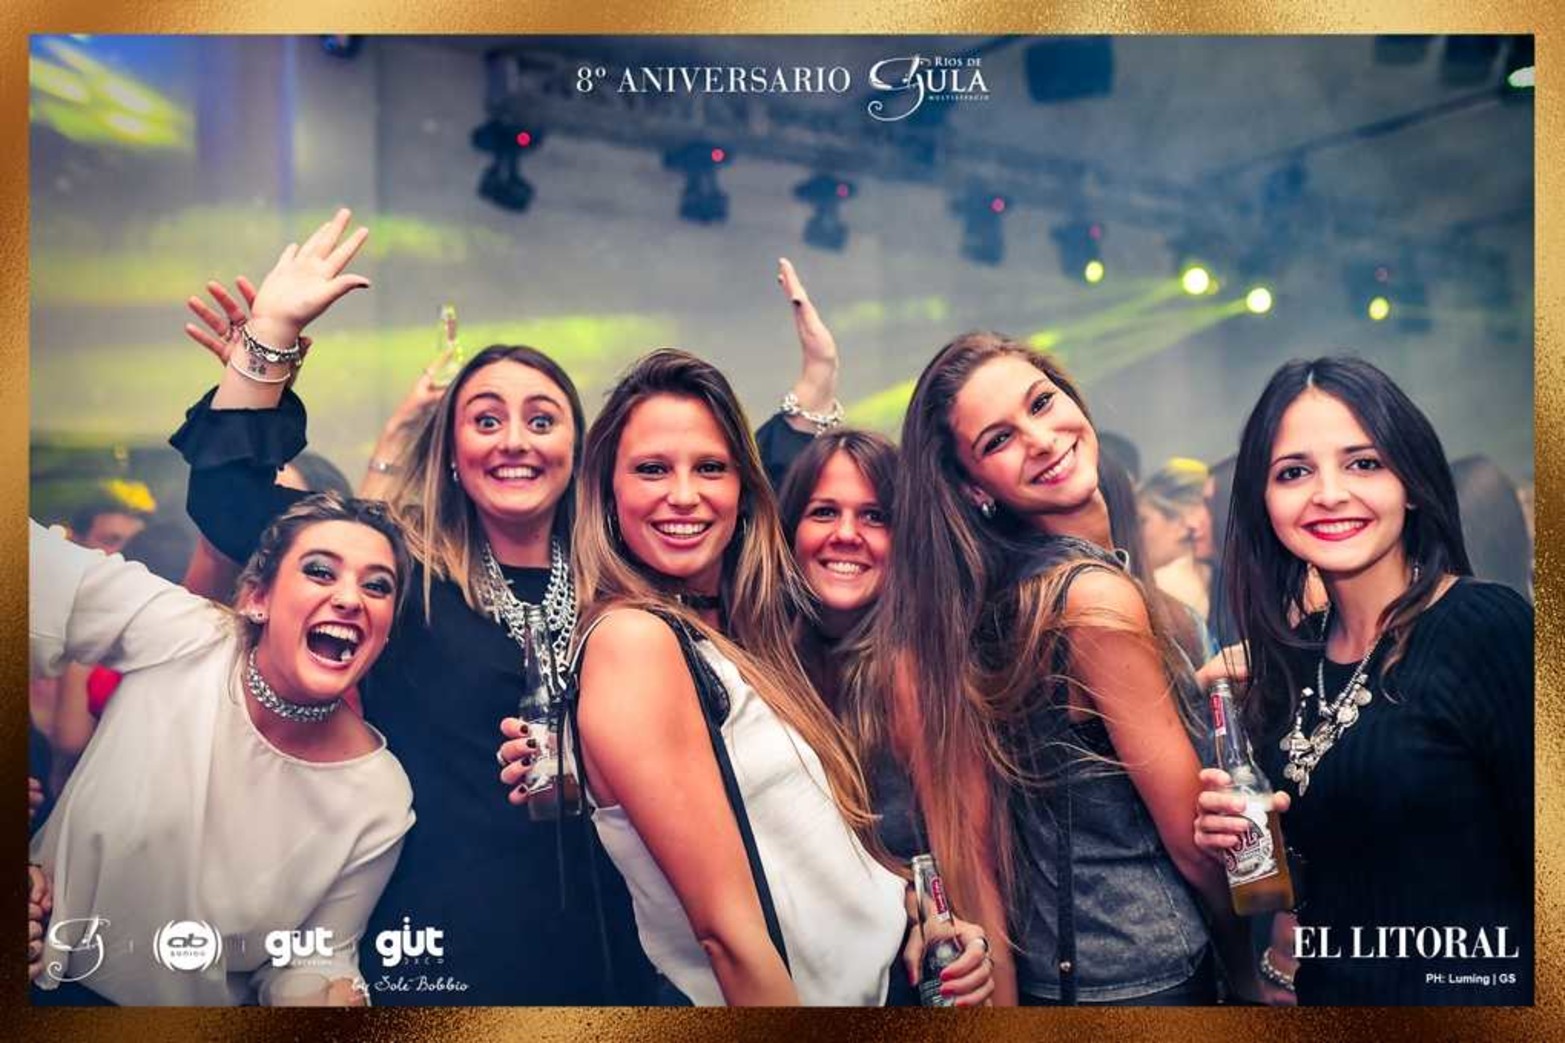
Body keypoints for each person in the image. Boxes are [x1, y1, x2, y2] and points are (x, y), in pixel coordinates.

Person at [168, 208, 654, 1004]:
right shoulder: (401, 567)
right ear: (453, 452)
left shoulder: (624, 586)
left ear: (576, 449)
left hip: (614, 947)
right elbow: (229, 506)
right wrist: (270, 340)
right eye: (486, 419)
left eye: (541, 419)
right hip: (444, 946)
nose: (514, 440)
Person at [525, 348, 988, 1006]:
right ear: (608, 493)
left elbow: (809, 855)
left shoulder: (737, 637)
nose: (684, 494)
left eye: (710, 467)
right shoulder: (634, 640)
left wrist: (920, 911)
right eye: (652, 468)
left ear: (743, 489)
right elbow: (728, 938)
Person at [871, 331, 1258, 1006]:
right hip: (1145, 971)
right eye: (999, 439)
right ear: (974, 486)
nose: (1041, 439)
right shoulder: (1089, 599)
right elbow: (1193, 845)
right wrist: (1258, 964)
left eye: (1042, 403)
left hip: (1070, 976)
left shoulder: (1004, 600)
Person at [1193, 356, 1532, 1005]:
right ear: (1264, 502)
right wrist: (1243, 841)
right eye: (1294, 472)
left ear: (1411, 483)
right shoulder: (1296, 659)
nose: (1328, 493)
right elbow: (1341, 861)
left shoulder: (1484, 627)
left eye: (1363, 463)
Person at [28, 494, 414, 1006]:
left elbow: (313, 957)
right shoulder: (183, 635)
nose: (350, 598)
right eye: (320, 571)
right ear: (257, 598)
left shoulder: (379, 794)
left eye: (377, 586)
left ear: (385, 632)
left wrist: (326, 994)